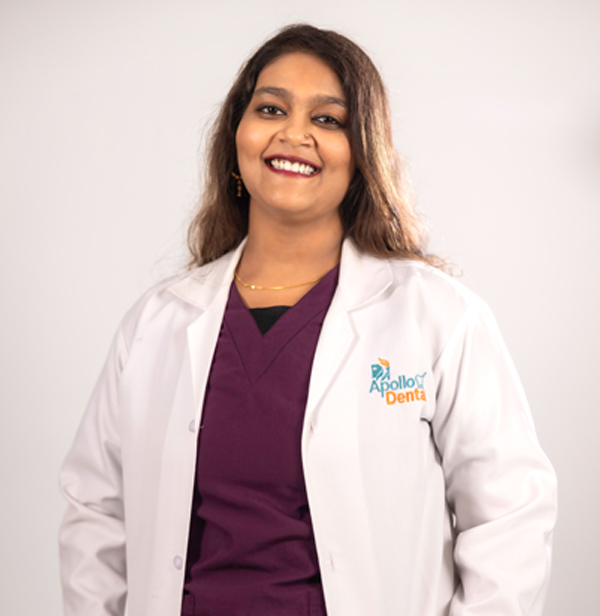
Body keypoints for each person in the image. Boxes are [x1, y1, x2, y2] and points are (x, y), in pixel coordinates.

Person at [59, 24, 557, 616]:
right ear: (237, 136)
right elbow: (96, 514)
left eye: (328, 119)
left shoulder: (437, 316)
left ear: (363, 152)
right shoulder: (158, 322)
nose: (294, 134)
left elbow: (510, 516)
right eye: (271, 109)